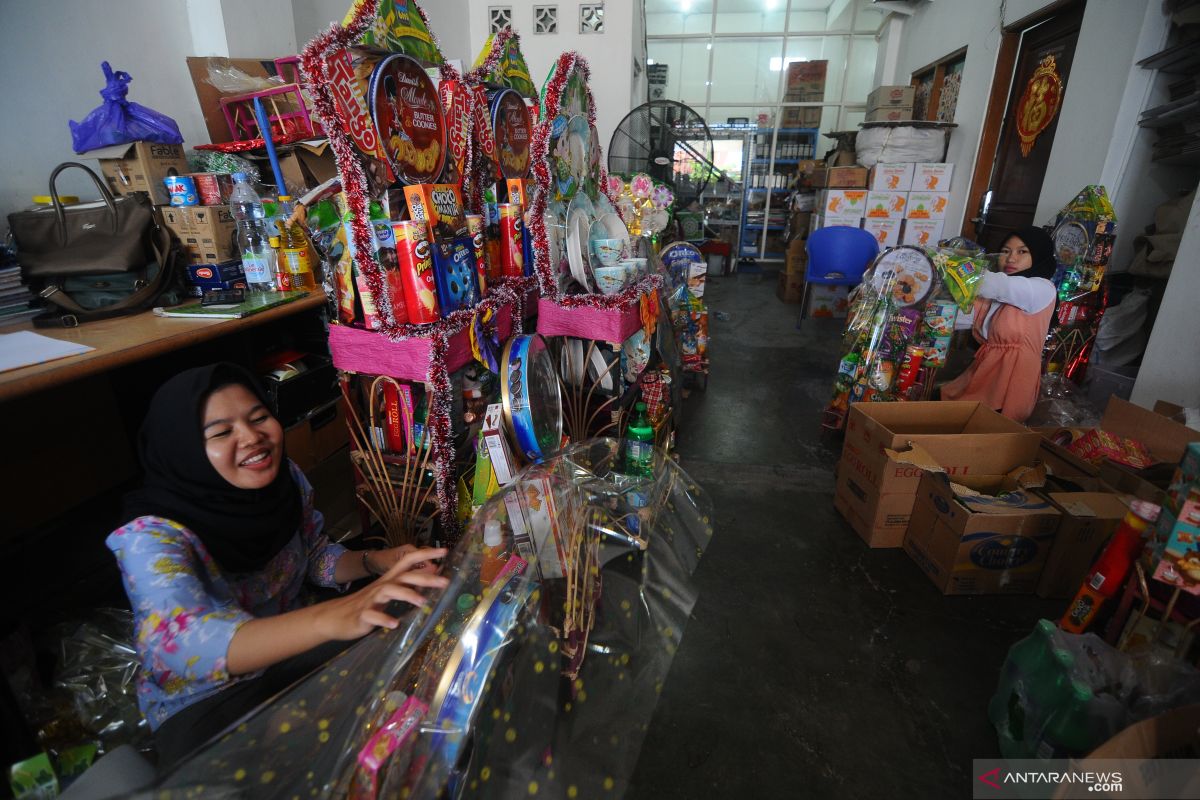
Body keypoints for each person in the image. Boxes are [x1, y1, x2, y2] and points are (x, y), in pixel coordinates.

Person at [106, 363, 448, 768]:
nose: (252, 438)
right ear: (180, 447)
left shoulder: (285, 482)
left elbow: (313, 557)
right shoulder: (148, 537)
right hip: (209, 699)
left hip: (293, 656)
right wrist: (331, 617)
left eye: (258, 418)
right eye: (221, 432)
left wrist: (376, 562)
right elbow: (180, 644)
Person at [940, 226, 1057, 422]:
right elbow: (955, 316)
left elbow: (995, 285)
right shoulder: (994, 298)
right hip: (985, 373)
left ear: (1038, 255)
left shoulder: (1041, 288)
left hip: (1011, 379)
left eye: (1022, 251)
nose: (1011, 259)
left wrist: (945, 261)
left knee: (987, 430)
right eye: (1005, 251)